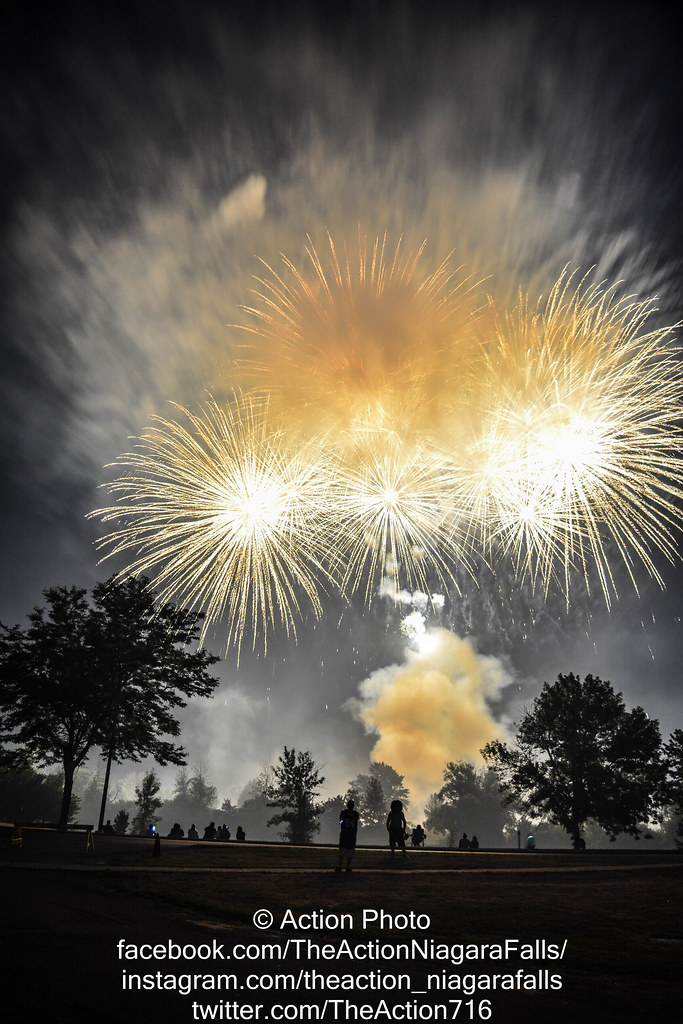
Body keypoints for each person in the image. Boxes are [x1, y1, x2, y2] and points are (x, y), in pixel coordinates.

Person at [336, 799, 359, 873]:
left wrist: (341, 821)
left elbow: (340, 821)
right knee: (350, 851)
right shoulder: (356, 814)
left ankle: (340, 865)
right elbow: (355, 822)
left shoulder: (343, 813)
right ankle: (348, 866)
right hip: (352, 834)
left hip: (344, 833)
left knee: (342, 850)